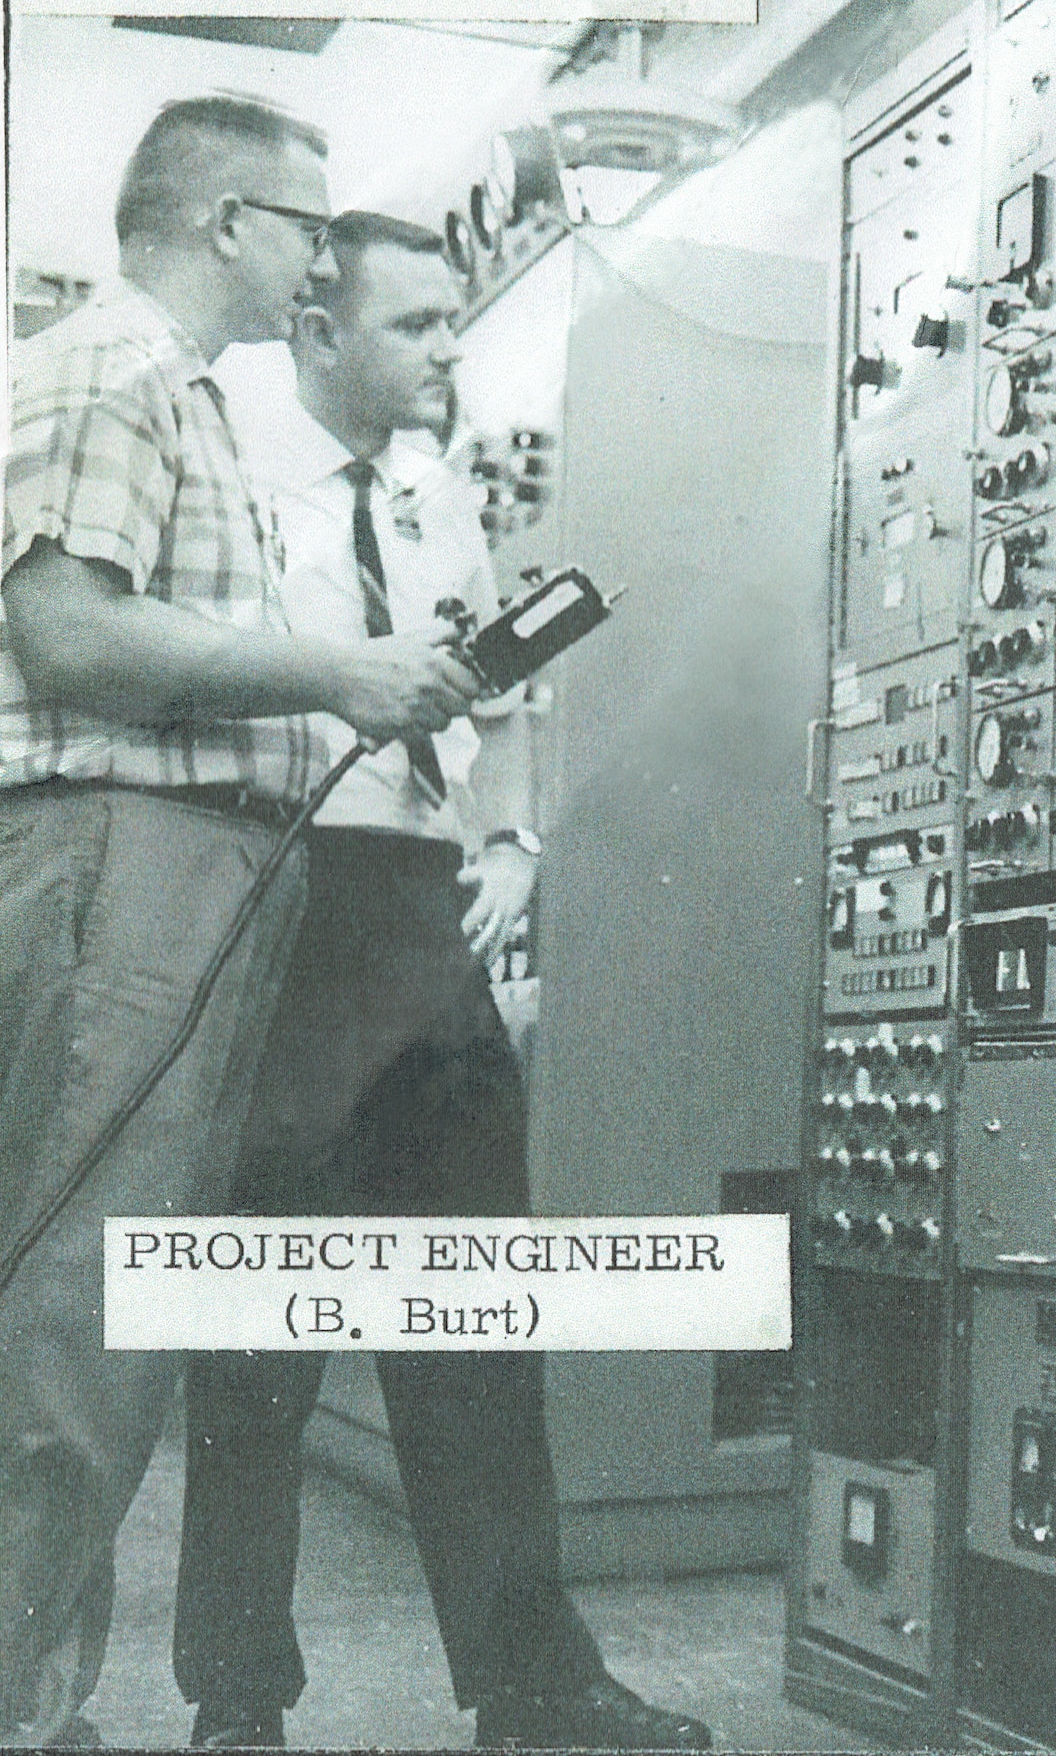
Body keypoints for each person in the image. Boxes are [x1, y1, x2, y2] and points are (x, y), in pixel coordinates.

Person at [170, 213, 712, 1754]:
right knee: (259, 1322)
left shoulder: (432, 493)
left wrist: (514, 838)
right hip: (274, 895)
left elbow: (506, 687)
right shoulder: (223, 466)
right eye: (418, 324)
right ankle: (237, 1700)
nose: (448, 351)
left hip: (420, 907)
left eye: (454, 322)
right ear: (321, 328)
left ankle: (532, 1682)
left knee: (477, 1303)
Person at [0, 100, 483, 1746]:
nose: (316, 259)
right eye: (306, 227)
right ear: (225, 223)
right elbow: (68, 636)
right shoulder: (115, 370)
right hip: (124, 867)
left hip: (191, 880)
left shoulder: (175, 394)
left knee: (99, 1335)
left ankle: (42, 1701)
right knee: (72, 1325)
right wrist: (339, 673)